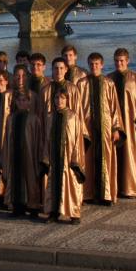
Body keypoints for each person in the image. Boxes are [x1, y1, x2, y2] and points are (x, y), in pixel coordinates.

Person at [77, 53, 126, 205]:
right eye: (91, 64)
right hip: (87, 128)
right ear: (88, 65)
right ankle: (87, 193)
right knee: (87, 160)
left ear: (102, 65)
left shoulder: (108, 83)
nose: (94, 67)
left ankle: (106, 195)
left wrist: (116, 128)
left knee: (106, 160)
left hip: (105, 128)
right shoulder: (81, 84)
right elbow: (77, 108)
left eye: (97, 64)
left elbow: (114, 108)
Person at [108, 48, 136, 199]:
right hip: (114, 125)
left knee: (132, 155)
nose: (119, 63)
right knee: (115, 156)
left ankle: (133, 188)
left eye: (121, 61)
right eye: (116, 61)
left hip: (132, 123)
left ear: (127, 61)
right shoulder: (109, 78)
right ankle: (115, 188)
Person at [42, 89, 86, 224]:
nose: (59, 101)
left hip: (68, 157)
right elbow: (47, 139)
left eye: (62, 98)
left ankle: (74, 214)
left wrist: (75, 158)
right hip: (54, 156)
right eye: (56, 98)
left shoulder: (73, 116)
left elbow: (78, 138)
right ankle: (53, 212)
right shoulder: (50, 117)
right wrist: (46, 157)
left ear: (67, 99)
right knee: (53, 184)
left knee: (71, 183)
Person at [1, 94, 42, 218]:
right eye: (19, 100)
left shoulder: (34, 119)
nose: (21, 102)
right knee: (15, 179)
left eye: (24, 100)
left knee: (30, 179)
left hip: (29, 155)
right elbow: (7, 138)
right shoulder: (11, 118)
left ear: (29, 102)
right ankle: (17, 207)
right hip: (14, 154)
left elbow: (39, 140)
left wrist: (38, 158)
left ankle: (33, 207)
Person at [39, 57, 83, 125]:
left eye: (61, 68)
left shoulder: (73, 89)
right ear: (52, 70)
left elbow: (78, 112)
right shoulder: (45, 90)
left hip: (69, 127)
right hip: (49, 127)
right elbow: (41, 113)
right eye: (56, 68)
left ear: (66, 69)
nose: (58, 71)